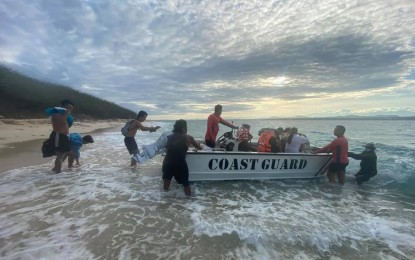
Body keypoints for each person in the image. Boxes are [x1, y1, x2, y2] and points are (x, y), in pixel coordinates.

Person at [162, 119, 203, 196]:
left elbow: (169, 147)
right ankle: (189, 201)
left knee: (167, 181)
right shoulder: (188, 137)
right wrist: (197, 144)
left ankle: (164, 200)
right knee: (186, 184)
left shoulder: (169, 137)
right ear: (183, 128)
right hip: (180, 164)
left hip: (167, 162)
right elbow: (199, 148)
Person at [45, 99, 75, 173]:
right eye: (68, 107)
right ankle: (57, 171)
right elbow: (61, 122)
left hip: (64, 136)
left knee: (70, 153)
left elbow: (65, 125)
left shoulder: (65, 115)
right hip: (58, 135)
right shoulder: (56, 114)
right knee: (60, 154)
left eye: (71, 108)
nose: (70, 110)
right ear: (62, 107)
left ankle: (68, 167)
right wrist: (66, 114)